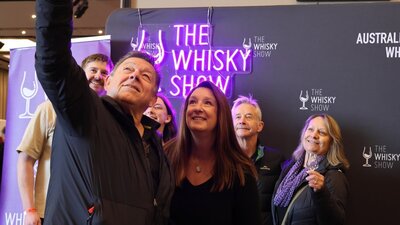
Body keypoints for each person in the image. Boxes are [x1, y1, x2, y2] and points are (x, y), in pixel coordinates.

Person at [34, 0, 174, 224]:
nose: (134, 75)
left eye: (145, 76)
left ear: (153, 98)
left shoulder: (155, 145)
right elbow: (53, 61)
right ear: (108, 82)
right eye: (127, 69)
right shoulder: (85, 110)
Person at [16, 53, 113, 225]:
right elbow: (25, 160)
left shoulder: (110, 119)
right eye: (93, 70)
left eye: (104, 73)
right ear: (80, 74)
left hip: (93, 215)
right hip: (52, 212)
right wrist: (29, 209)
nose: (98, 76)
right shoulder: (49, 109)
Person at [166, 81, 261, 225]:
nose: (198, 108)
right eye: (192, 102)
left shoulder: (240, 171)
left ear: (221, 114)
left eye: (207, 103)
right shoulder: (166, 155)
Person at [272, 114, 350, 225]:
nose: (314, 135)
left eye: (322, 132)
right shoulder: (290, 168)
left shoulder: (334, 176)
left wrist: (322, 192)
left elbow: (336, 222)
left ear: (331, 142)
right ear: (304, 133)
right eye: (310, 129)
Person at [231, 95, 285, 225]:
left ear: (260, 126)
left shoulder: (276, 159)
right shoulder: (221, 159)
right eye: (237, 117)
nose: (242, 121)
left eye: (248, 117)